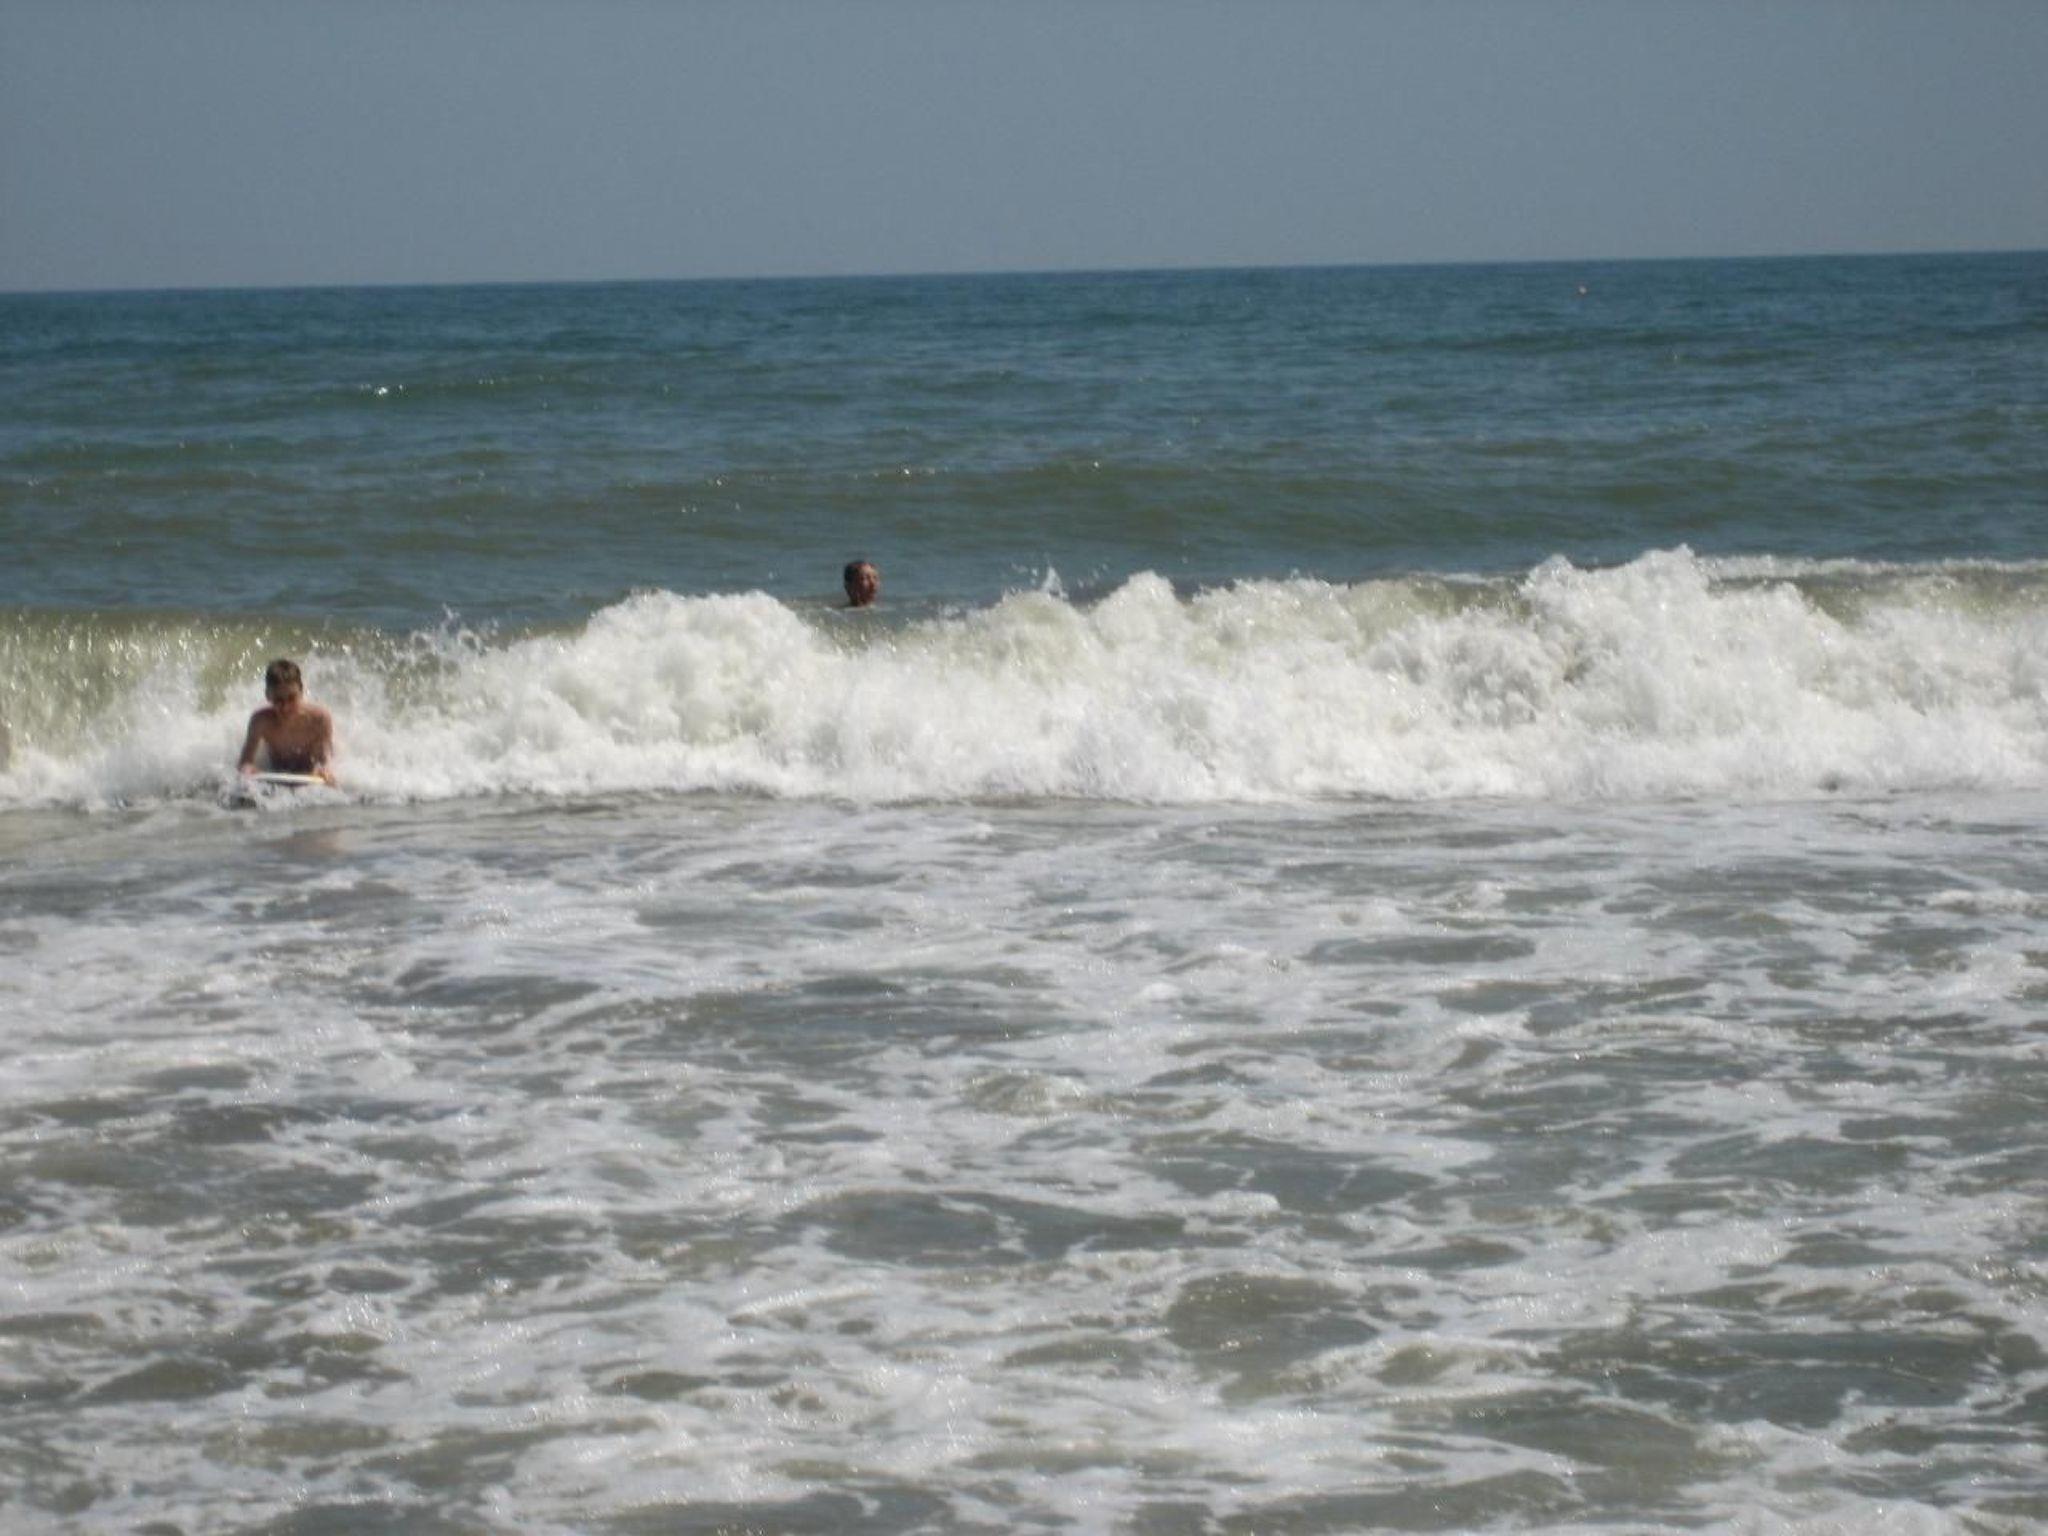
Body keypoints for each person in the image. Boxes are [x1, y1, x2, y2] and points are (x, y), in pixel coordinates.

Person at [238, 658, 336, 783]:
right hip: (278, 767)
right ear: (268, 695)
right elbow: (245, 762)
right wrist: (248, 769)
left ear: (301, 691)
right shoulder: (260, 721)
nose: (285, 707)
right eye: (278, 700)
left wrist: (324, 770)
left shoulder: (319, 719)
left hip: (308, 767)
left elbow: (324, 761)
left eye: (291, 698)